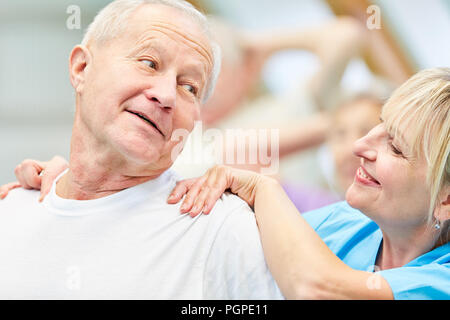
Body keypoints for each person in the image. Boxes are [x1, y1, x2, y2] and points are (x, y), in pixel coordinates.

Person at [6, 68, 448, 299]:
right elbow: (203, 235)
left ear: (445, 200)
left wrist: (264, 187)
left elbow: (320, 290)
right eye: (377, 127)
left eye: (396, 148)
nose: (359, 146)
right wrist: (81, 183)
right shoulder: (348, 223)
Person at [0, 0, 283, 299]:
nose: (166, 96)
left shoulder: (220, 228)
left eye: (189, 87)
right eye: (149, 63)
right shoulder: (10, 210)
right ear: (81, 68)